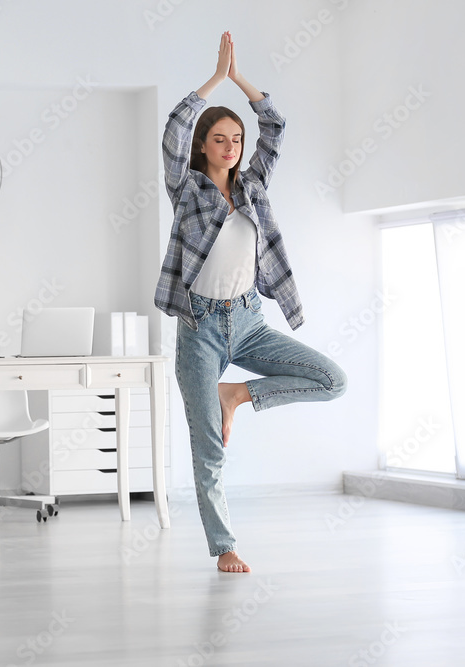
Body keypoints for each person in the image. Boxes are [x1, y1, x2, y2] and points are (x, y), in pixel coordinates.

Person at [155, 32, 347, 573]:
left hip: (248, 321)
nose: (232, 146)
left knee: (332, 380)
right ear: (203, 146)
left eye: (236, 137)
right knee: (208, 448)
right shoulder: (186, 189)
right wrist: (215, 79)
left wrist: (241, 80)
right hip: (201, 328)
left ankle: (237, 393)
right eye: (220, 138)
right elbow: (173, 127)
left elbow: (277, 126)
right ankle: (224, 546)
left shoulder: (255, 186)